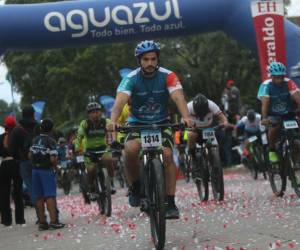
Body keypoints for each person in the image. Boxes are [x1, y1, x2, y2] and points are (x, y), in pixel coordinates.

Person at [108, 40, 193, 219]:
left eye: (153, 59)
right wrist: (113, 121)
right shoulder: (130, 78)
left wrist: (186, 117)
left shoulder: (168, 75)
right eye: (145, 59)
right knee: (130, 151)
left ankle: (170, 202)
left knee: (168, 155)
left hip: (161, 123)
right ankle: (136, 186)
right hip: (137, 124)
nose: (150, 63)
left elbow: (178, 98)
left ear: (158, 59)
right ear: (139, 60)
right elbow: (120, 101)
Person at [257, 61, 300, 164]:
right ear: (271, 76)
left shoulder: (289, 82)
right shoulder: (266, 85)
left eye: (281, 76)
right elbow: (265, 103)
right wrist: (264, 118)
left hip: (288, 112)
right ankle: (272, 151)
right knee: (274, 128)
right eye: (277, 77)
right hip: (272, 113)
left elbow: (297, 97)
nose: (280, 80)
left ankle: (295, 151)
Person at [74, 102, 115, 203]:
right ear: (89, 114)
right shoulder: (85, 124)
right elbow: (79, 137)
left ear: (100, 112)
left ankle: (111, 183)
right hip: (90, 151)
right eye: (92, 112)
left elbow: (113, 132)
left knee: (110, 161)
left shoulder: (106, 121)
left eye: (97, 111)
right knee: (91, 169)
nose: (95, 114)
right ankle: (92, 189)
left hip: (103, 149)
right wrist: (77, 148)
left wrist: (114, 142)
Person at [29, 118, 65, 231]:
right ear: (52, 129)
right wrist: (56, 168)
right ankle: (54, 222)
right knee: (50, 195)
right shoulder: (51, 141)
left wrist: (35, 164)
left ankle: (42, 223)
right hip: (46, 170)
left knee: (39, 197)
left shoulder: (34, 140)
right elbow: (53, 158)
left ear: (41, 128)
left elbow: (29, 155)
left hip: (35, 171)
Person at [9, 106, 38, 204]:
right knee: (42, 187)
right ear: (33, 114)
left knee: (31, 187)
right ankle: (53, 214)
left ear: (22, 115)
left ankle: (41, 217)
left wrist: (19, 158)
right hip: (40, 161)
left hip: (24, 162)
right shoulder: (38, 127)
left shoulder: (17, 130)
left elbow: (12, 149)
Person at [0, 116, 25, 226]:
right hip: (15, 164)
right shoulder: (17, 135)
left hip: (4, 164)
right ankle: (19, 219)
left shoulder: (1, 137)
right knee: (18, 192)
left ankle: (6, 220)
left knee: (4, 193)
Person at [187, 93, 228, 160]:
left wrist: (225, 123)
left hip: (208, 129)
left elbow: (222, 117)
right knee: (190, 135)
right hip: (194, 129)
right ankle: (193, 156)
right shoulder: (188, 107)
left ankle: (213, 158)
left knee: (215, 147)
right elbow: (183, 120)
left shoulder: (212, 105)